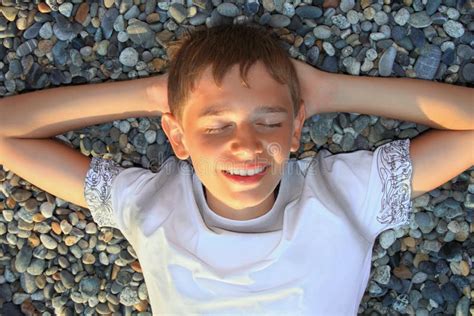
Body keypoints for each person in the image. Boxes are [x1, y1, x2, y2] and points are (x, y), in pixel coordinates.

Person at [0, 23, 472, 315]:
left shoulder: (344, 193)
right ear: (177, 137)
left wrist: (330, 91)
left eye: (268, 121)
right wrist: (152, 95)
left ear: (294, 130)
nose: (245, 146)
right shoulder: (151, 204)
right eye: (214, 127)